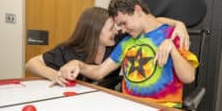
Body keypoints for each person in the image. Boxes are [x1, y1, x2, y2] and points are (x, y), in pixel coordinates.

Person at [59, 0, 198, 107]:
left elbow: (189, 77)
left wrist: (173, 49)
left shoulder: (172, 35)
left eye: (124, 23)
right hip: (128, 107)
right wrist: (79, 64)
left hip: (163, 110)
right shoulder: (126, 42)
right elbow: (100, 71)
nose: (123, 30)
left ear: (137, 11)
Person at [26, 6, 190, 89]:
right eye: (111, 28)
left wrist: (179, 24)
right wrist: (55, 75)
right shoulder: (70, 50)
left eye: (118, 26)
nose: (117, 31)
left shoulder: (120, 40)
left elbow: (152, 21)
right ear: (94, 31)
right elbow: (31, 63)